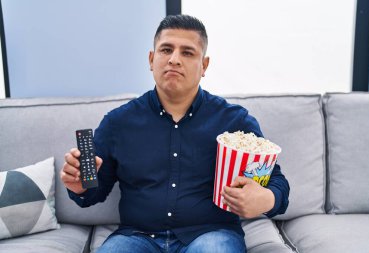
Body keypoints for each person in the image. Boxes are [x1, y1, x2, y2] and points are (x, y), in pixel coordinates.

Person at [61, 14, 289, 253]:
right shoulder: (118, 122)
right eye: (166, 50)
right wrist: (81, 186)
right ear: (151, 59)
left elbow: (277, 182)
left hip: (210, 235)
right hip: (136, 237)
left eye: (187, 53)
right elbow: (94, 192)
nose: (174, 59)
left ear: (204, 65)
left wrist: (265, 199)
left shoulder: (234, 121)